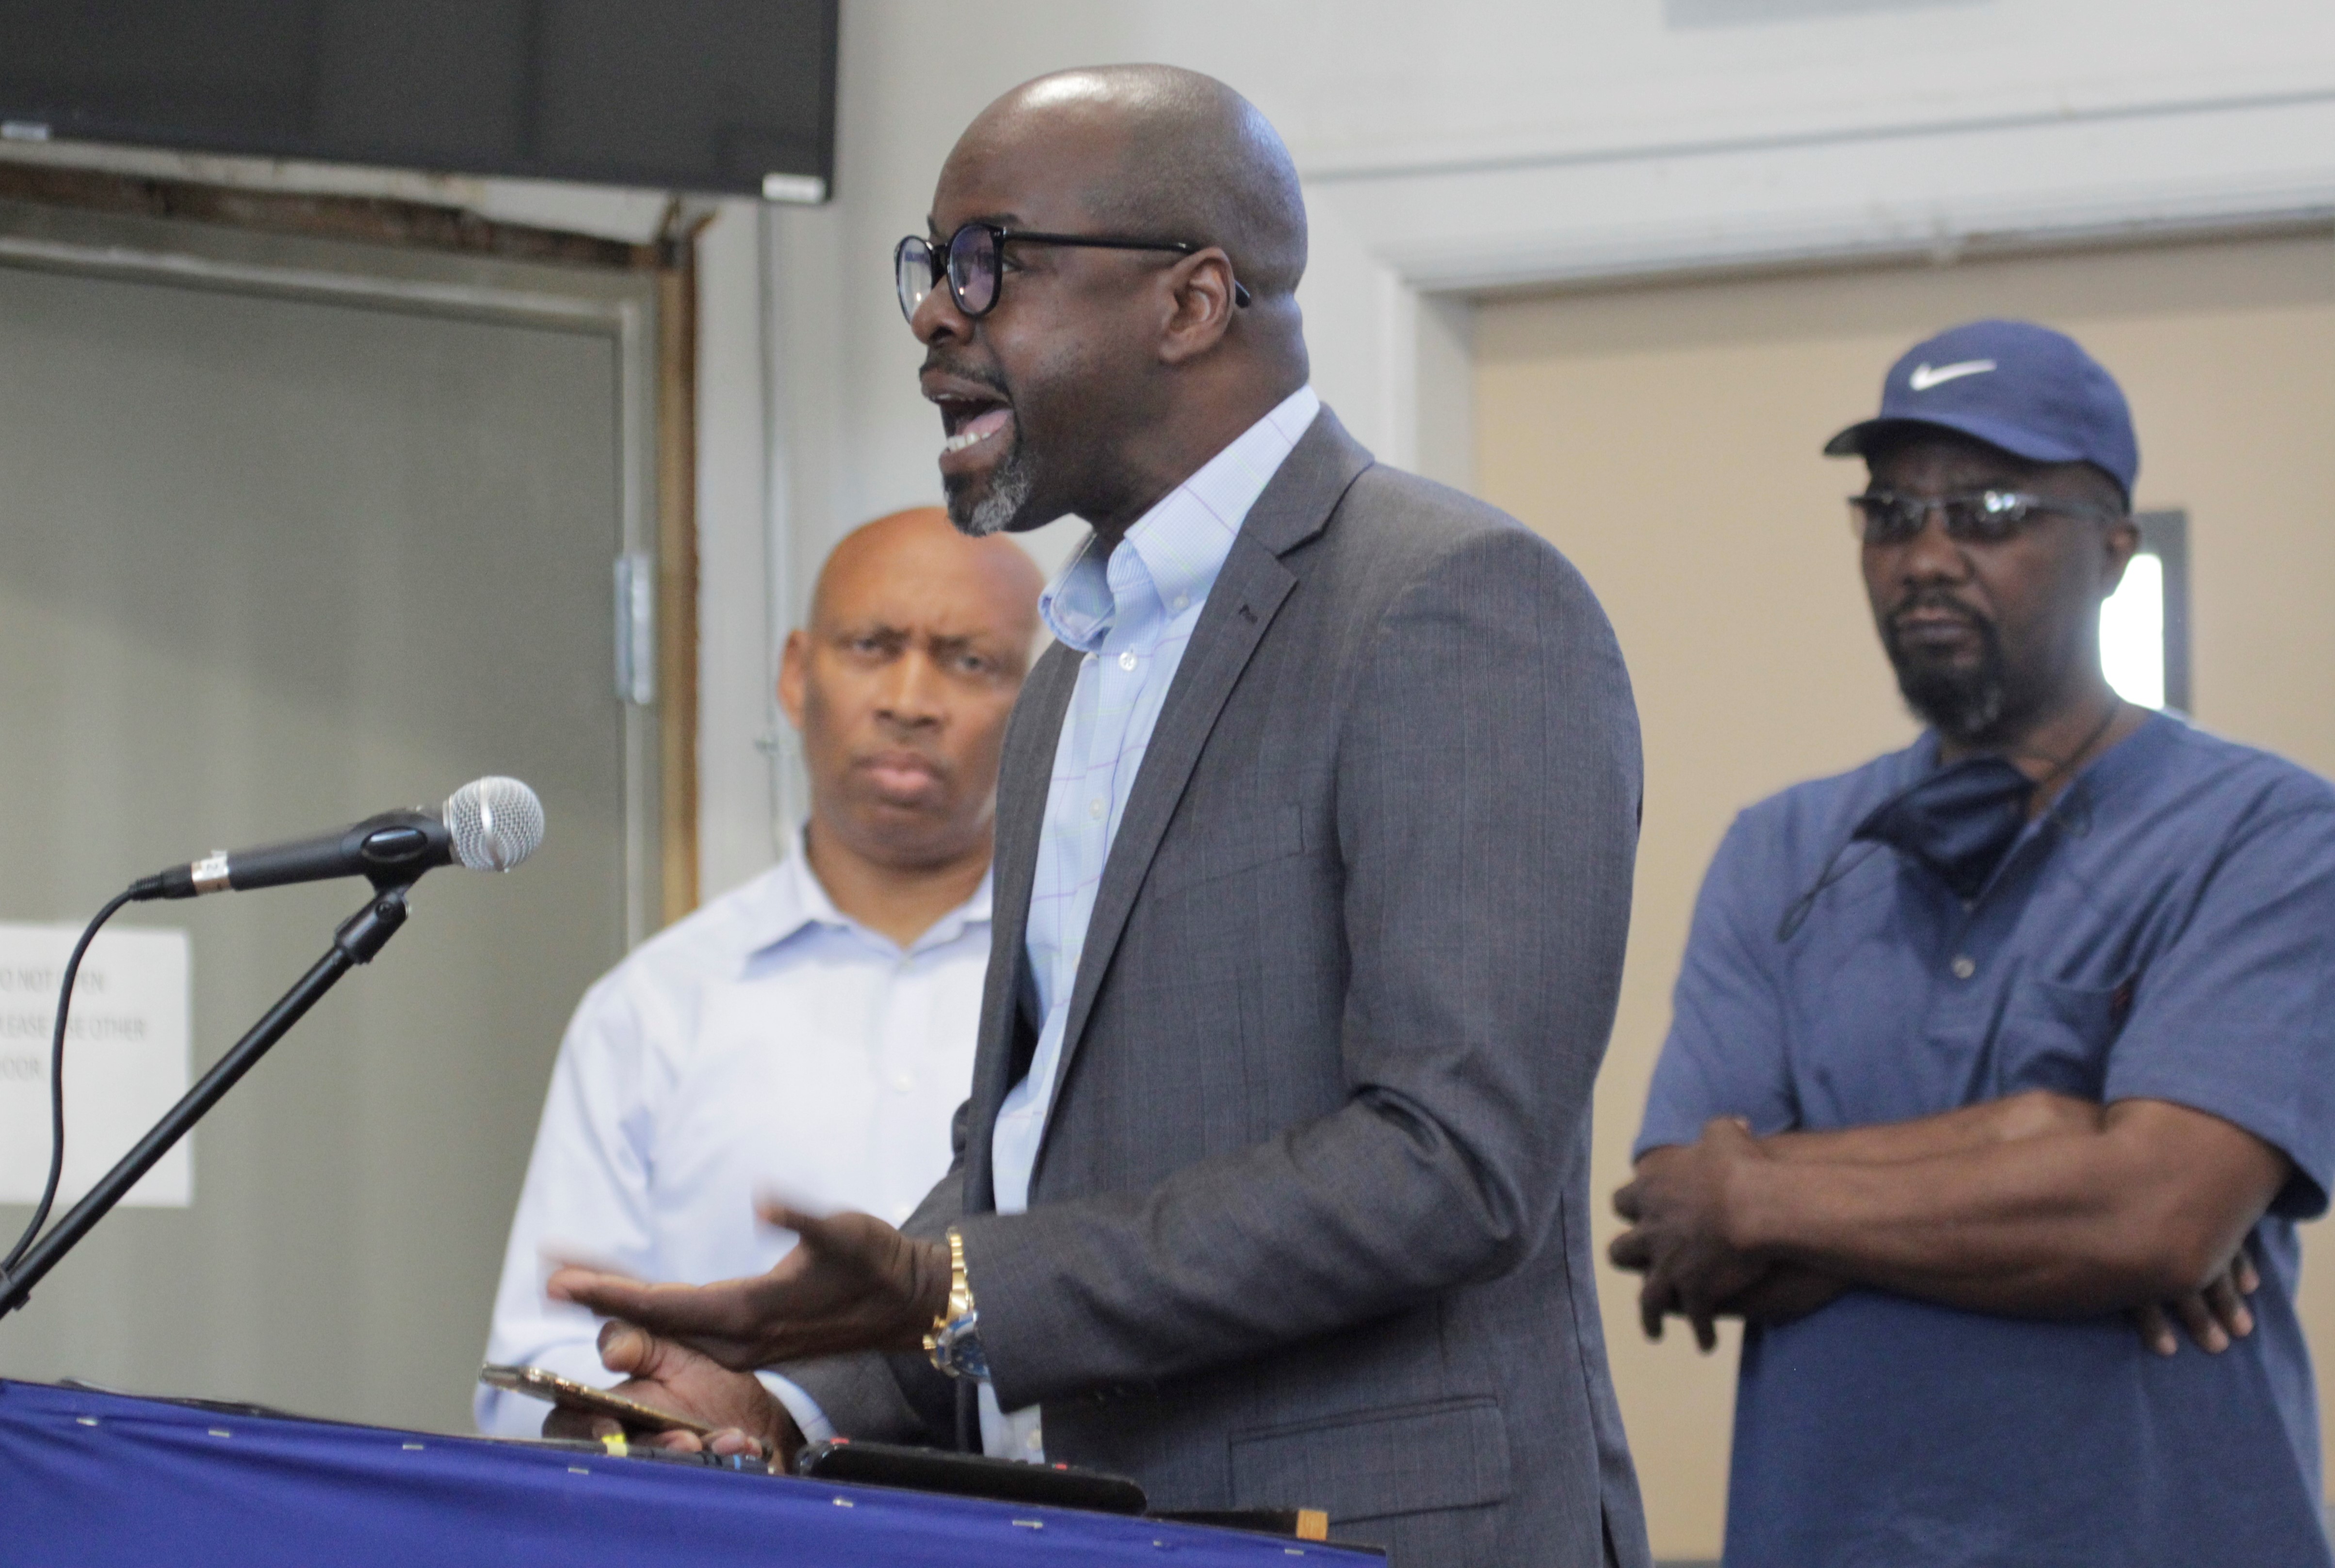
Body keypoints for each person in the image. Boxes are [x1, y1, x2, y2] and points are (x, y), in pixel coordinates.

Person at [548, 65, 1651, 1567]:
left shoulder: (1447, 603)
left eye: (986, 260)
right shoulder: (1077, 660)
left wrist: (953, 1285)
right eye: (927, 269)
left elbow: (1449, 1164)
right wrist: (793, 1387)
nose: (936, 315)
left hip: (1368, 1533)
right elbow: (1031, 1161)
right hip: (1096, 1527)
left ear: (1190, 302)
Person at [1610, 320, 2335, 1567]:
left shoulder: (2266, 832)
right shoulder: (1782, 852)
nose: (1927, 556)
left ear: (2112, 549)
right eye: (1891, 514)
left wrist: (1763, 1189)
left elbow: (2160, 1220)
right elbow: (1690, 1241)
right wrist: (2051, 1147)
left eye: (1989, 510)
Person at [474, 507, 1042, 1438]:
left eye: (968, 660)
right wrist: (655, 1416)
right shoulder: (653, 1007)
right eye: (871, 645)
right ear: (794, 672)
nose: (909, 697)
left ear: (1043, 700)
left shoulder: (1069, 990)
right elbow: (535, 1360)